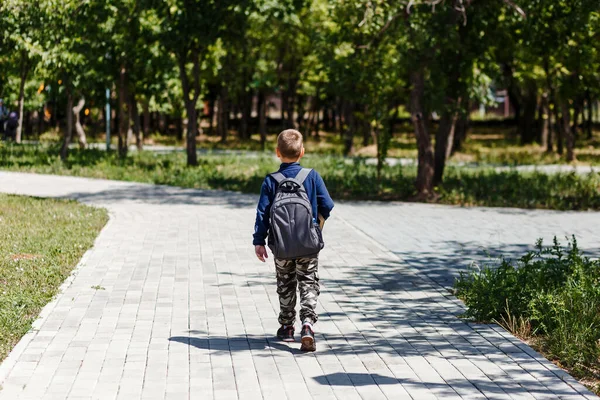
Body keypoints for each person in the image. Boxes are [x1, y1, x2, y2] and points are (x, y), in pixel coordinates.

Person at [253, 129, 334, 352]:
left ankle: (287, 326)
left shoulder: (271, 181)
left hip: (281, 246)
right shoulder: (312, 176)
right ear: (302, 152)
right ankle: (307, 324)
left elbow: (263, 213)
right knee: (308, 282)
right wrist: (316, 225)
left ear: (278, 152)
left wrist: (259, 241)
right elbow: (327, 205)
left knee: (285, 284)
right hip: (308, 244)